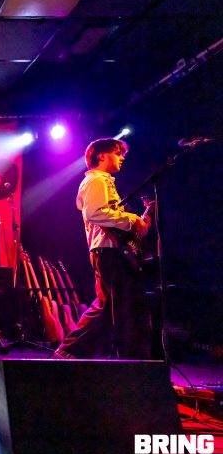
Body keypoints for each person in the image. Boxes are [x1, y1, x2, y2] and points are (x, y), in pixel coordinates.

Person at [53, 138, 151, 359]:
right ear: (102, 156)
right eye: (118, 153)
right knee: (112, 305)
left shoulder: (103, 181)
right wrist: (132, 219)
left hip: (108, 249)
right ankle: (70, 349)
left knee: (111, 305)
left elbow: (109, 218)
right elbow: (95, 213)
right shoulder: (96, 180)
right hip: (107, 251)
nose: (122, 158)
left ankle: (77, 351)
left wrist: (139, 222)